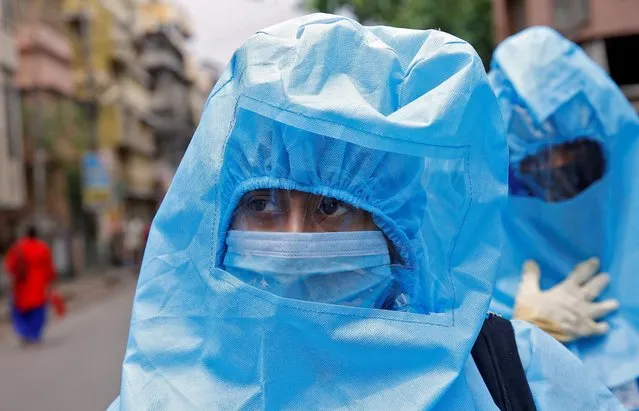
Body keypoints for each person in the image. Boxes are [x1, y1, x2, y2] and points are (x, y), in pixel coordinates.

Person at [108, 15, 621, 409]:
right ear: (218, 220)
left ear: (393, 228)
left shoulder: (513, 372)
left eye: (330, 207)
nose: (293, 242)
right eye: (262, 204)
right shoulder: (164, 393)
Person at [489, 26, 639, 408]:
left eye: (577, 162)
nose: (558, 178)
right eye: (537, 168)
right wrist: (511, 334)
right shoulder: (475, 266)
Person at [3, 226, 57, 345]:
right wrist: (50, 281)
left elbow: (9, 265)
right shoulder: (43, 248)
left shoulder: (18, 247)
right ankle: (34, 334)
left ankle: (24, 333)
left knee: (21, 311)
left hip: (22, 285)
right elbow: (49, 267)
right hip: (38, 285)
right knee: (37, 312)